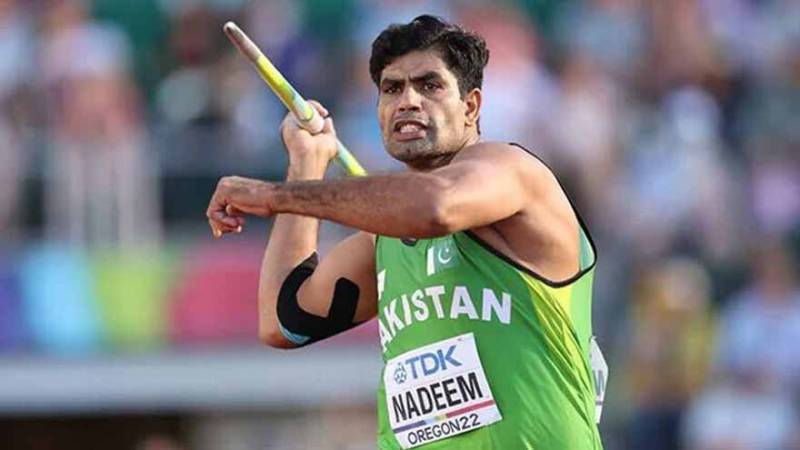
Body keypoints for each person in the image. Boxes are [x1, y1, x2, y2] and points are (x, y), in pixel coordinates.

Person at [207, 15, 603, 450]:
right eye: (391, 89)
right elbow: (286, 321)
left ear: (471, 107)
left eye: (429, 85)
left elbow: (436, 207)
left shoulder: (513, 172)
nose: (408, 101)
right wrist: (306, 164)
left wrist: (277, 197)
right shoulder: (386, 239)